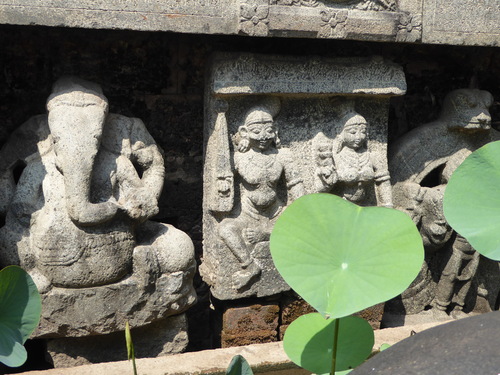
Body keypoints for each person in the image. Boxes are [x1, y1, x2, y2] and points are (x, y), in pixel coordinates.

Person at [218, 105, 304, 290]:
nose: (264, 136)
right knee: (225, 229)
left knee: (302, 223)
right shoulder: (239, 158)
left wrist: (295, 212)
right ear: (245, 131)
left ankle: (270, 234)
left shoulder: (283, 155)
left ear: (276, 131)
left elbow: (296, 189)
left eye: (269, 130)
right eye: (257, 131)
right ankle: (250, 266)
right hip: (248, 215)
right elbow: (222, 183)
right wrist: (223, 184)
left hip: (277, 213)